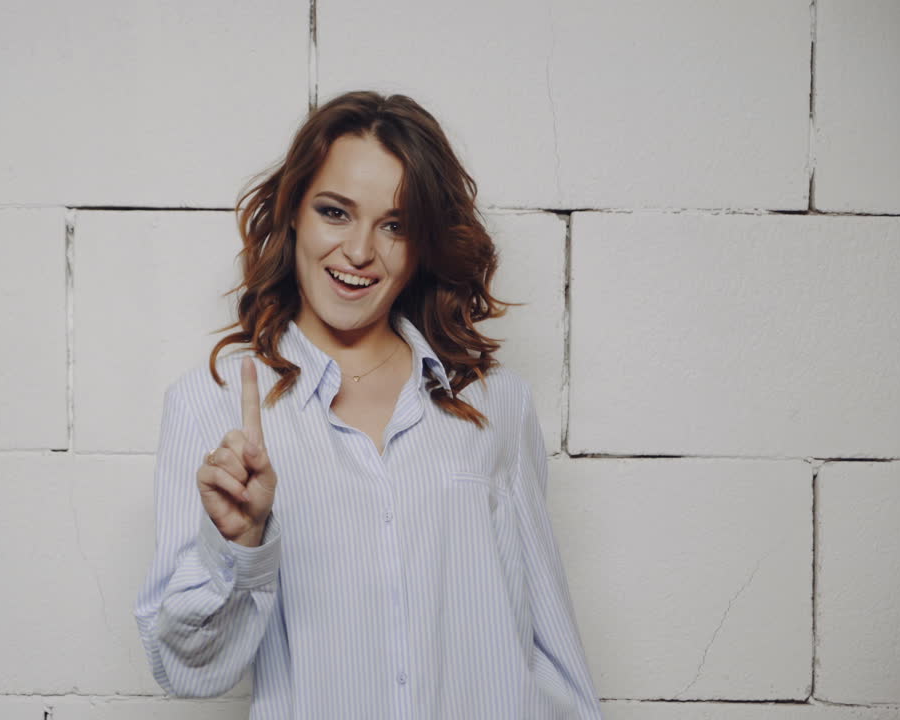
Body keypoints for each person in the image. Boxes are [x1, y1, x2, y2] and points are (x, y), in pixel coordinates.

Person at [133, 90, 602, 719]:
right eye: (335, 211)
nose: (358, 252)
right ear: (294, 211)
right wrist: (240, 544)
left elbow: (548, 637)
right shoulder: (208, 404)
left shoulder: (494, 403)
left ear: (424, 244)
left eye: (395, 225)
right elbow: (188, 670)